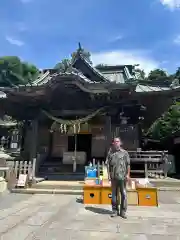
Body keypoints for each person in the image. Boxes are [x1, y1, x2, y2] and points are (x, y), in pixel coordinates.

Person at [105, 137, 130, 219]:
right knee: (114, 195)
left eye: (118, 141)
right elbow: (108, 165)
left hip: (122, 177)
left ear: (120, 143)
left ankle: (123, 212)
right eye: (115, 142)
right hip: (113, 177)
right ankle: (115, 211)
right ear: (113, 143)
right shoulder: (110, 153)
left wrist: (128, 174)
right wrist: (108, 175)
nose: (116, 143)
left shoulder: (125, 153)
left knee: (123, 194)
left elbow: (128, 164)